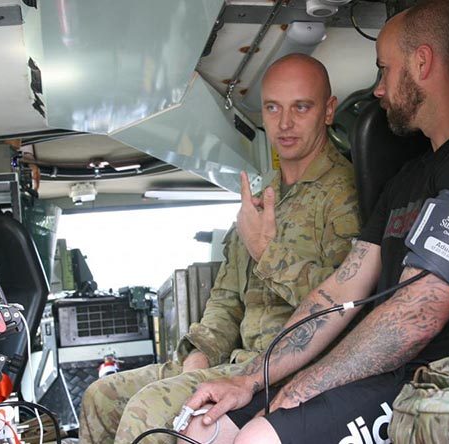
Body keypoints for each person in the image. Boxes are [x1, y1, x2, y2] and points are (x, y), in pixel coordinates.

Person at [181, 1, 449, 443]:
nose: (377, 89)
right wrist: (250, 380)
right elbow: (341, 290)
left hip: (443, 370)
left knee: (259, 439)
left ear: (422, 62)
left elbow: (418, 312)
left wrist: (314, 381)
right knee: (206, 429)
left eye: (384, 69)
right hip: (393, 370)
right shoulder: (404, 181)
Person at [78, 54, 361, 444]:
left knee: (148, 414)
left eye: (302, 107)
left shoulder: (345, 195)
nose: (285, 123)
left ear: (328, 111)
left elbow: (346, 303)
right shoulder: (260, 201)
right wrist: (201, 354)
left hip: (289, 369)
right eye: (273, 108)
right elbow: (227, 299)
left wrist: (267, 251)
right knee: (100, 396)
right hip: (233, 363)